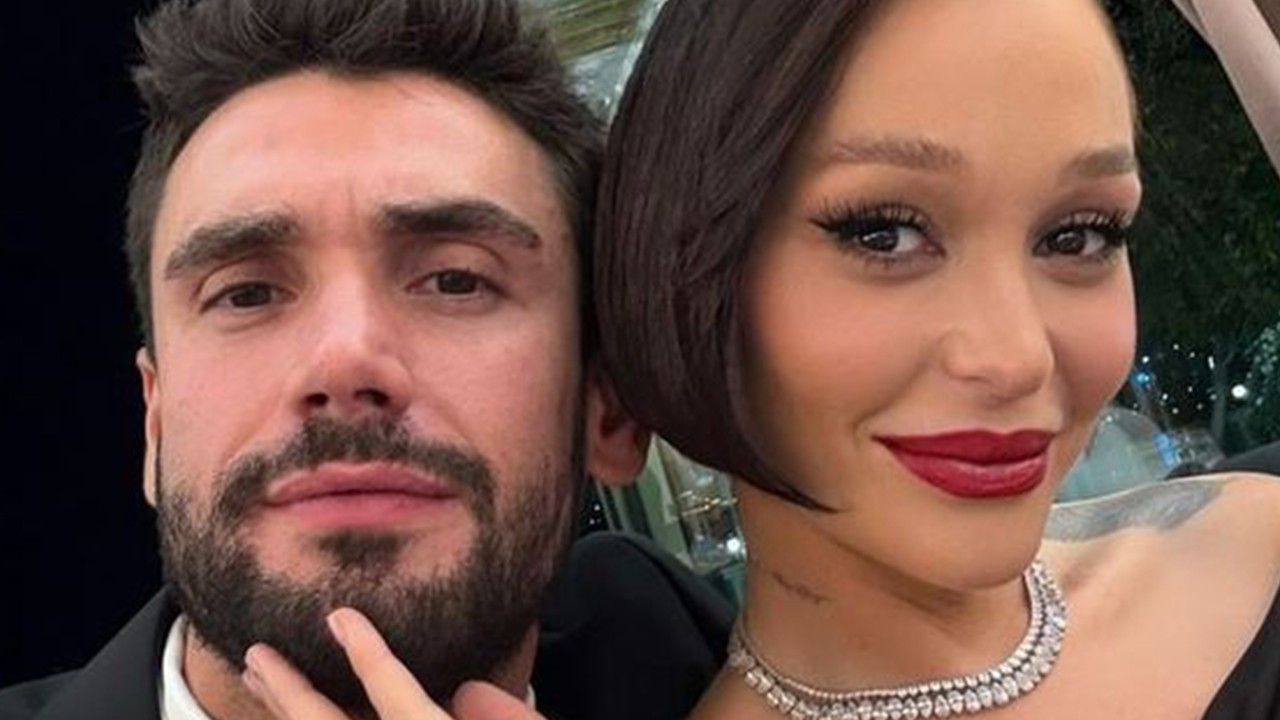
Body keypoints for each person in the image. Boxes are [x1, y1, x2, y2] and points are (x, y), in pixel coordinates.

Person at [0, 1, 732, 719]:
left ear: (607, 409)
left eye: (456, 281)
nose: (345, 360)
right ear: (154, 423)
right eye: (247, 293)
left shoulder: (685, 654)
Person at [594, 0, 1280, 718]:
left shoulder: (1253, 550)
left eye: (1078, 236)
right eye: (884, 235)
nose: (1016, 359)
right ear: (676, 269)